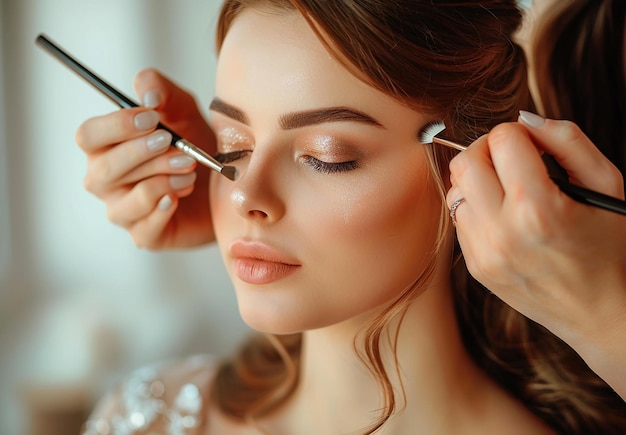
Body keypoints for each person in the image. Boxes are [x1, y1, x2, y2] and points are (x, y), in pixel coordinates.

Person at [75, 0, 626, 434]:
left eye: (326, 156)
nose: (244, 196)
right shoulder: (149, 418)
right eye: (230, 144)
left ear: (473, 169)